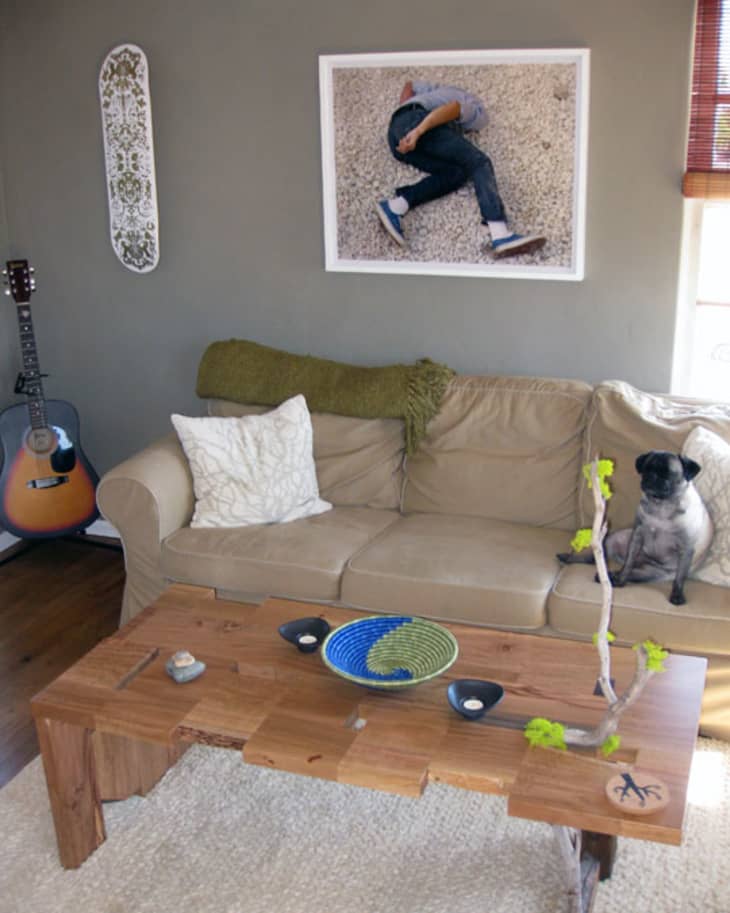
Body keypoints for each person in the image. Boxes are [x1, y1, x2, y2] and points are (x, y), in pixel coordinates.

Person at [376, 79, 546, 258]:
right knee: (479, 162)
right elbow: (453, 108)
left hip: (396, 138)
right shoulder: (474, 107)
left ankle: (394, 207)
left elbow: (409, 86)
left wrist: (404, 126)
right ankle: (500, 232)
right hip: (415, 124)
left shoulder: (432, 91)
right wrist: (416, 131)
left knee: (456, 173)